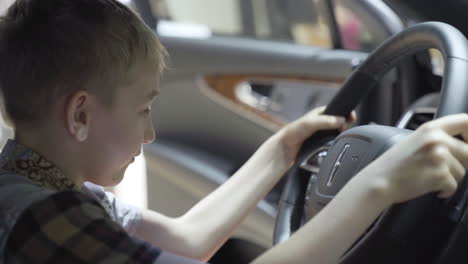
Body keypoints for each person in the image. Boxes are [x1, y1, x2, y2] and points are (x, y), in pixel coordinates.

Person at [0, 0, 467, 263]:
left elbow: (188, 239)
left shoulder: (46, 190)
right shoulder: (42, 219)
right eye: (143, 109)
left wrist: (280, 152)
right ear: (80, 116)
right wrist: (377, 185)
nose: (149, 134)